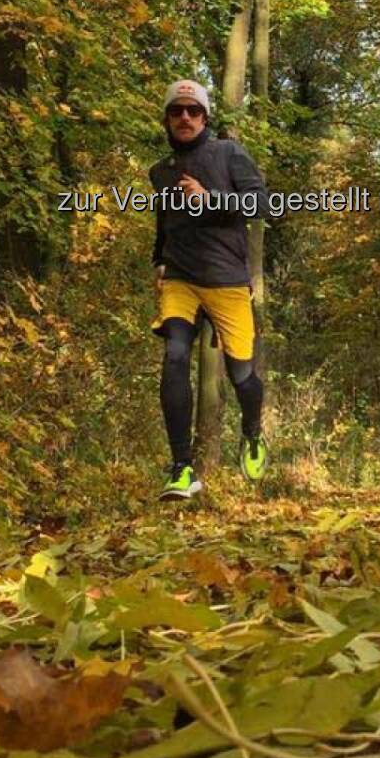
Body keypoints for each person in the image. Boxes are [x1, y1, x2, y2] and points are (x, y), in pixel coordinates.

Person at [148, 79, 269, 500]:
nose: (185, 117)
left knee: (242, 376)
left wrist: (210, 198)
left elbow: (261, 204)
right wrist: (159, 259)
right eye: (176, 111)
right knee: (175, 355)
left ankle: (252, 431)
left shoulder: (228, 153)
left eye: (193, 111)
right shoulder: (160, 171)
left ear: (205, 117)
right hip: (181, 278)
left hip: (226, 279)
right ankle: (182, 468)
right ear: (167, 119)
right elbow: (165, 219)